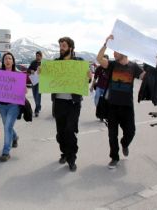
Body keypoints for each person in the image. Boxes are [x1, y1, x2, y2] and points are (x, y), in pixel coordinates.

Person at [97, 35, 145, 169]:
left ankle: (124, 143)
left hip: (127, 106)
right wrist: (105, 44)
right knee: (112, 135)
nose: (113, 53)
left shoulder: (134, 66)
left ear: (123, 52)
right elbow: (99, 59)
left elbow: (145, 77)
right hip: (112, 106)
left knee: (131, 132)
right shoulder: (112, 65)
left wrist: (154, 65)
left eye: (116, 50)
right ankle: (114, 157)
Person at [51, 37, 91, 172]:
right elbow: (47, 78)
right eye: (60, 46)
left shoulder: (79, 63)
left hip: (73, 103)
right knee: (60, 133)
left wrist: (88, 76)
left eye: (63, 45)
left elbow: (87, 79)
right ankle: (64, 152)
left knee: (70, 130)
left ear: (71, 48)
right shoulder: (56, 63)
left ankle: (71, 158)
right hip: (59, 103)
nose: (61, 48)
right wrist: (41, 73)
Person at [0, 52, 24, 162]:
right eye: (5, 58)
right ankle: (15, 137)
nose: (8, 60)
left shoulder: (18, 74)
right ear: (3, 62)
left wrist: (24, 89)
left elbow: (23, 90)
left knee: (7, 126)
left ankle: (6, 152)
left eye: (10, 58)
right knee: (7, 125)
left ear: (13, 61)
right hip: (2, 105)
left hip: (13, 106)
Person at [90, 54, 110, 121]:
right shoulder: (99, 68)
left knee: (106, 102)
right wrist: (92, 86)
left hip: (107, 88)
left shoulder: (110, 68)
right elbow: (95, 78)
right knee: (96, 100)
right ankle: (100, 112)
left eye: (105, 60)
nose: (103, 62)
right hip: (99, 87)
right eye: (102, 60)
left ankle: (105, 115)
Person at [28, 51, 42, 117]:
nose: (37, 57)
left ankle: (37, 110)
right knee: (34, 95)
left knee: (38, 96)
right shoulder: (33, 62)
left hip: (41, 82)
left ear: (41, 56)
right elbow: (28, 70)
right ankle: (38, 105)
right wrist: (31, 71)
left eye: (39, 56)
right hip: (34, 81)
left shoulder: (43, 63)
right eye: (36, 55)